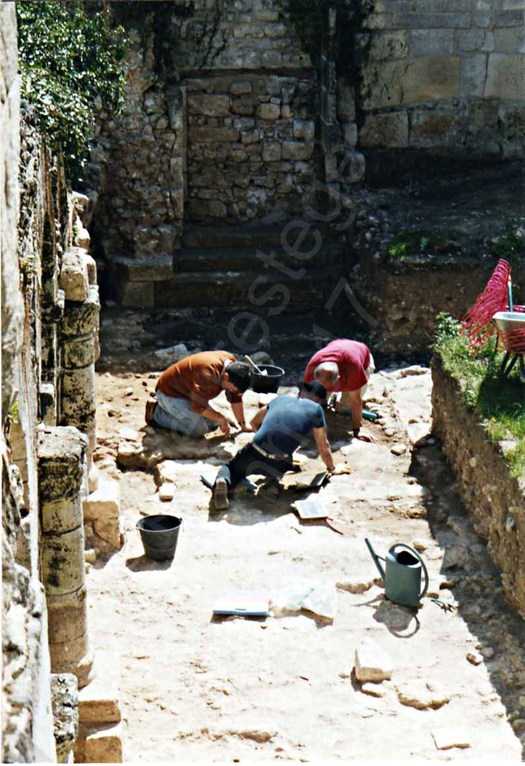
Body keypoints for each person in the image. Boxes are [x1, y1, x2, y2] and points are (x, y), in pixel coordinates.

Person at [212, 381, 337, 510]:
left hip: (254, 452)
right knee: (286, 462)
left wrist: (263, 441)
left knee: (231, 468)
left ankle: (223, 481)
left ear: (302, 392)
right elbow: (323, 446)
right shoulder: (316, 410)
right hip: (279, 460)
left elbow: (254, 422)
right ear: (319, 399)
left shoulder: (280, 399)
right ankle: (273, 483)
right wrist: (332, 468)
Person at [150, 351, 252, 436]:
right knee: (198, 429)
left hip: (190, 392)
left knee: (213, 424)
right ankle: (156, 413)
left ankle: (172, 411)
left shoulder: (234, 368)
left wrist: (243, 425)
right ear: (225, 376)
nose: (232, 391)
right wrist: (220, 418)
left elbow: (236, 397)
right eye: (232, 388)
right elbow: (198, 407)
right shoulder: (208, 375)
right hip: (170, 393)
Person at [303, 338, 375, 441]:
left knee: (344, 408)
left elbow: (356, 401)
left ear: (338, 379)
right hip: (338, 345)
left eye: (326, 387)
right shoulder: (313, 367)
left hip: (361, 357)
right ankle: (328, 400)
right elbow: (304, 398)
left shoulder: (353, 369)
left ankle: (337, 401)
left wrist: (357, 430)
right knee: (316, 400)